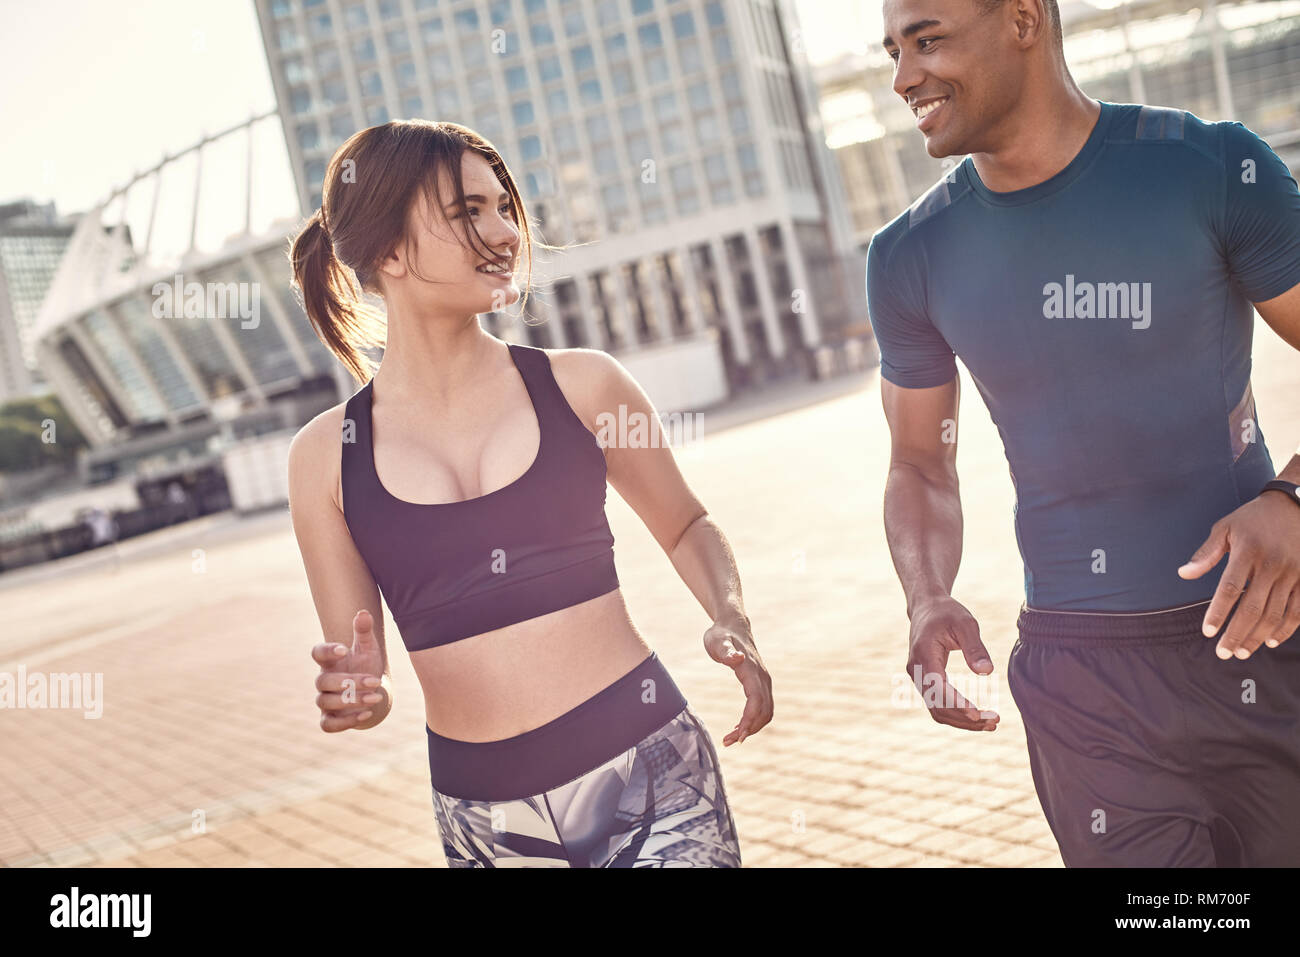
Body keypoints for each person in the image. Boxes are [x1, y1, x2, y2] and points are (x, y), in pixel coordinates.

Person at [869, 0, 1300, 865]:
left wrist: (1293, 498)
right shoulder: (909, 253)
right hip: (1083, 682)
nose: (902, 76)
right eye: (893, 50)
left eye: (928, 40)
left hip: (1263, 634)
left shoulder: (1209, 167)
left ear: (1025, 20)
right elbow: (920, 461)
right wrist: (926, 593)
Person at [285, 120, 771, 867]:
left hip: (653, 779)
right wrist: (359, 695)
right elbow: (365, 667)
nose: (505, 231)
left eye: (504, 206)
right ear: (387, 250)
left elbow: (686, 524)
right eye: (467, 212)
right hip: (489, 824)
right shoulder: (324, 458)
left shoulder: (584, 385)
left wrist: (728, 612)